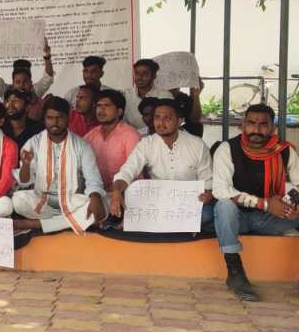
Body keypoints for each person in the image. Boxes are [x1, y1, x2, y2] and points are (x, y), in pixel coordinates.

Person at [212, 104, 299, 305]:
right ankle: (235, 274)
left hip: (271, 218)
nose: (256, 129)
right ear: (243, 125)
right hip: (238, 219)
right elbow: (221, 190)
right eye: (251, 123)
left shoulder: (283, 150)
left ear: (272, 128)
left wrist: (298, 203)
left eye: (263, 124)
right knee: (223, 206)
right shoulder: (227, 149)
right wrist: (264, 204)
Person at [110, 99, 215, 228]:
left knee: (207, 215)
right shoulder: (147, 144)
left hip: (190, 203)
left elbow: (207, 181)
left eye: (167, 118)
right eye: (157, 117)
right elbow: (128, 170)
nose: (161, 122)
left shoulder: (197, 145)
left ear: (179, 121)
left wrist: (208, 194)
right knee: (129, 207)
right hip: (158, 203)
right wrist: (116, 191)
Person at [12, 97, 107, 234]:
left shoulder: (81, 145)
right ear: (44, 119)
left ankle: (35, 224)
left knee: (101, 204)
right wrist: (26, 165)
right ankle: (67, 222)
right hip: (43, 201)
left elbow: (93, 177)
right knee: (17, 200)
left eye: (59, 118)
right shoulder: (34, 143)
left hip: (71, 200)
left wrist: (95, 197)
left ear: (68, 118)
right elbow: (24, 181)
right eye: (50, 118)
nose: (55, 122)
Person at [83, 90, 140, 191]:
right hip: (97, 191)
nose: (101, 110)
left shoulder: (130, 135)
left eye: (107, 106)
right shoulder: (91, 135)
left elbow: (136, 172)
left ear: (119, 112)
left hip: (126, 191)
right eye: (99, 106)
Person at [0, 38, 54, 121]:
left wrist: (47, 56)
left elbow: (48, 78)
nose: (21, 85)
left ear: (31, 82)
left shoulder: (34, 92)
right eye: (18, 82)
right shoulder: (6, 91)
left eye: (25, 82)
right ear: (13, 83)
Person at [123, 58, 173, 131]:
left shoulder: (165, 96)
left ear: (154, 76)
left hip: (159, 134)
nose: (140, 77)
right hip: (133, 136)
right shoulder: (125, 95)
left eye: (145, 74)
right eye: (137, 73)